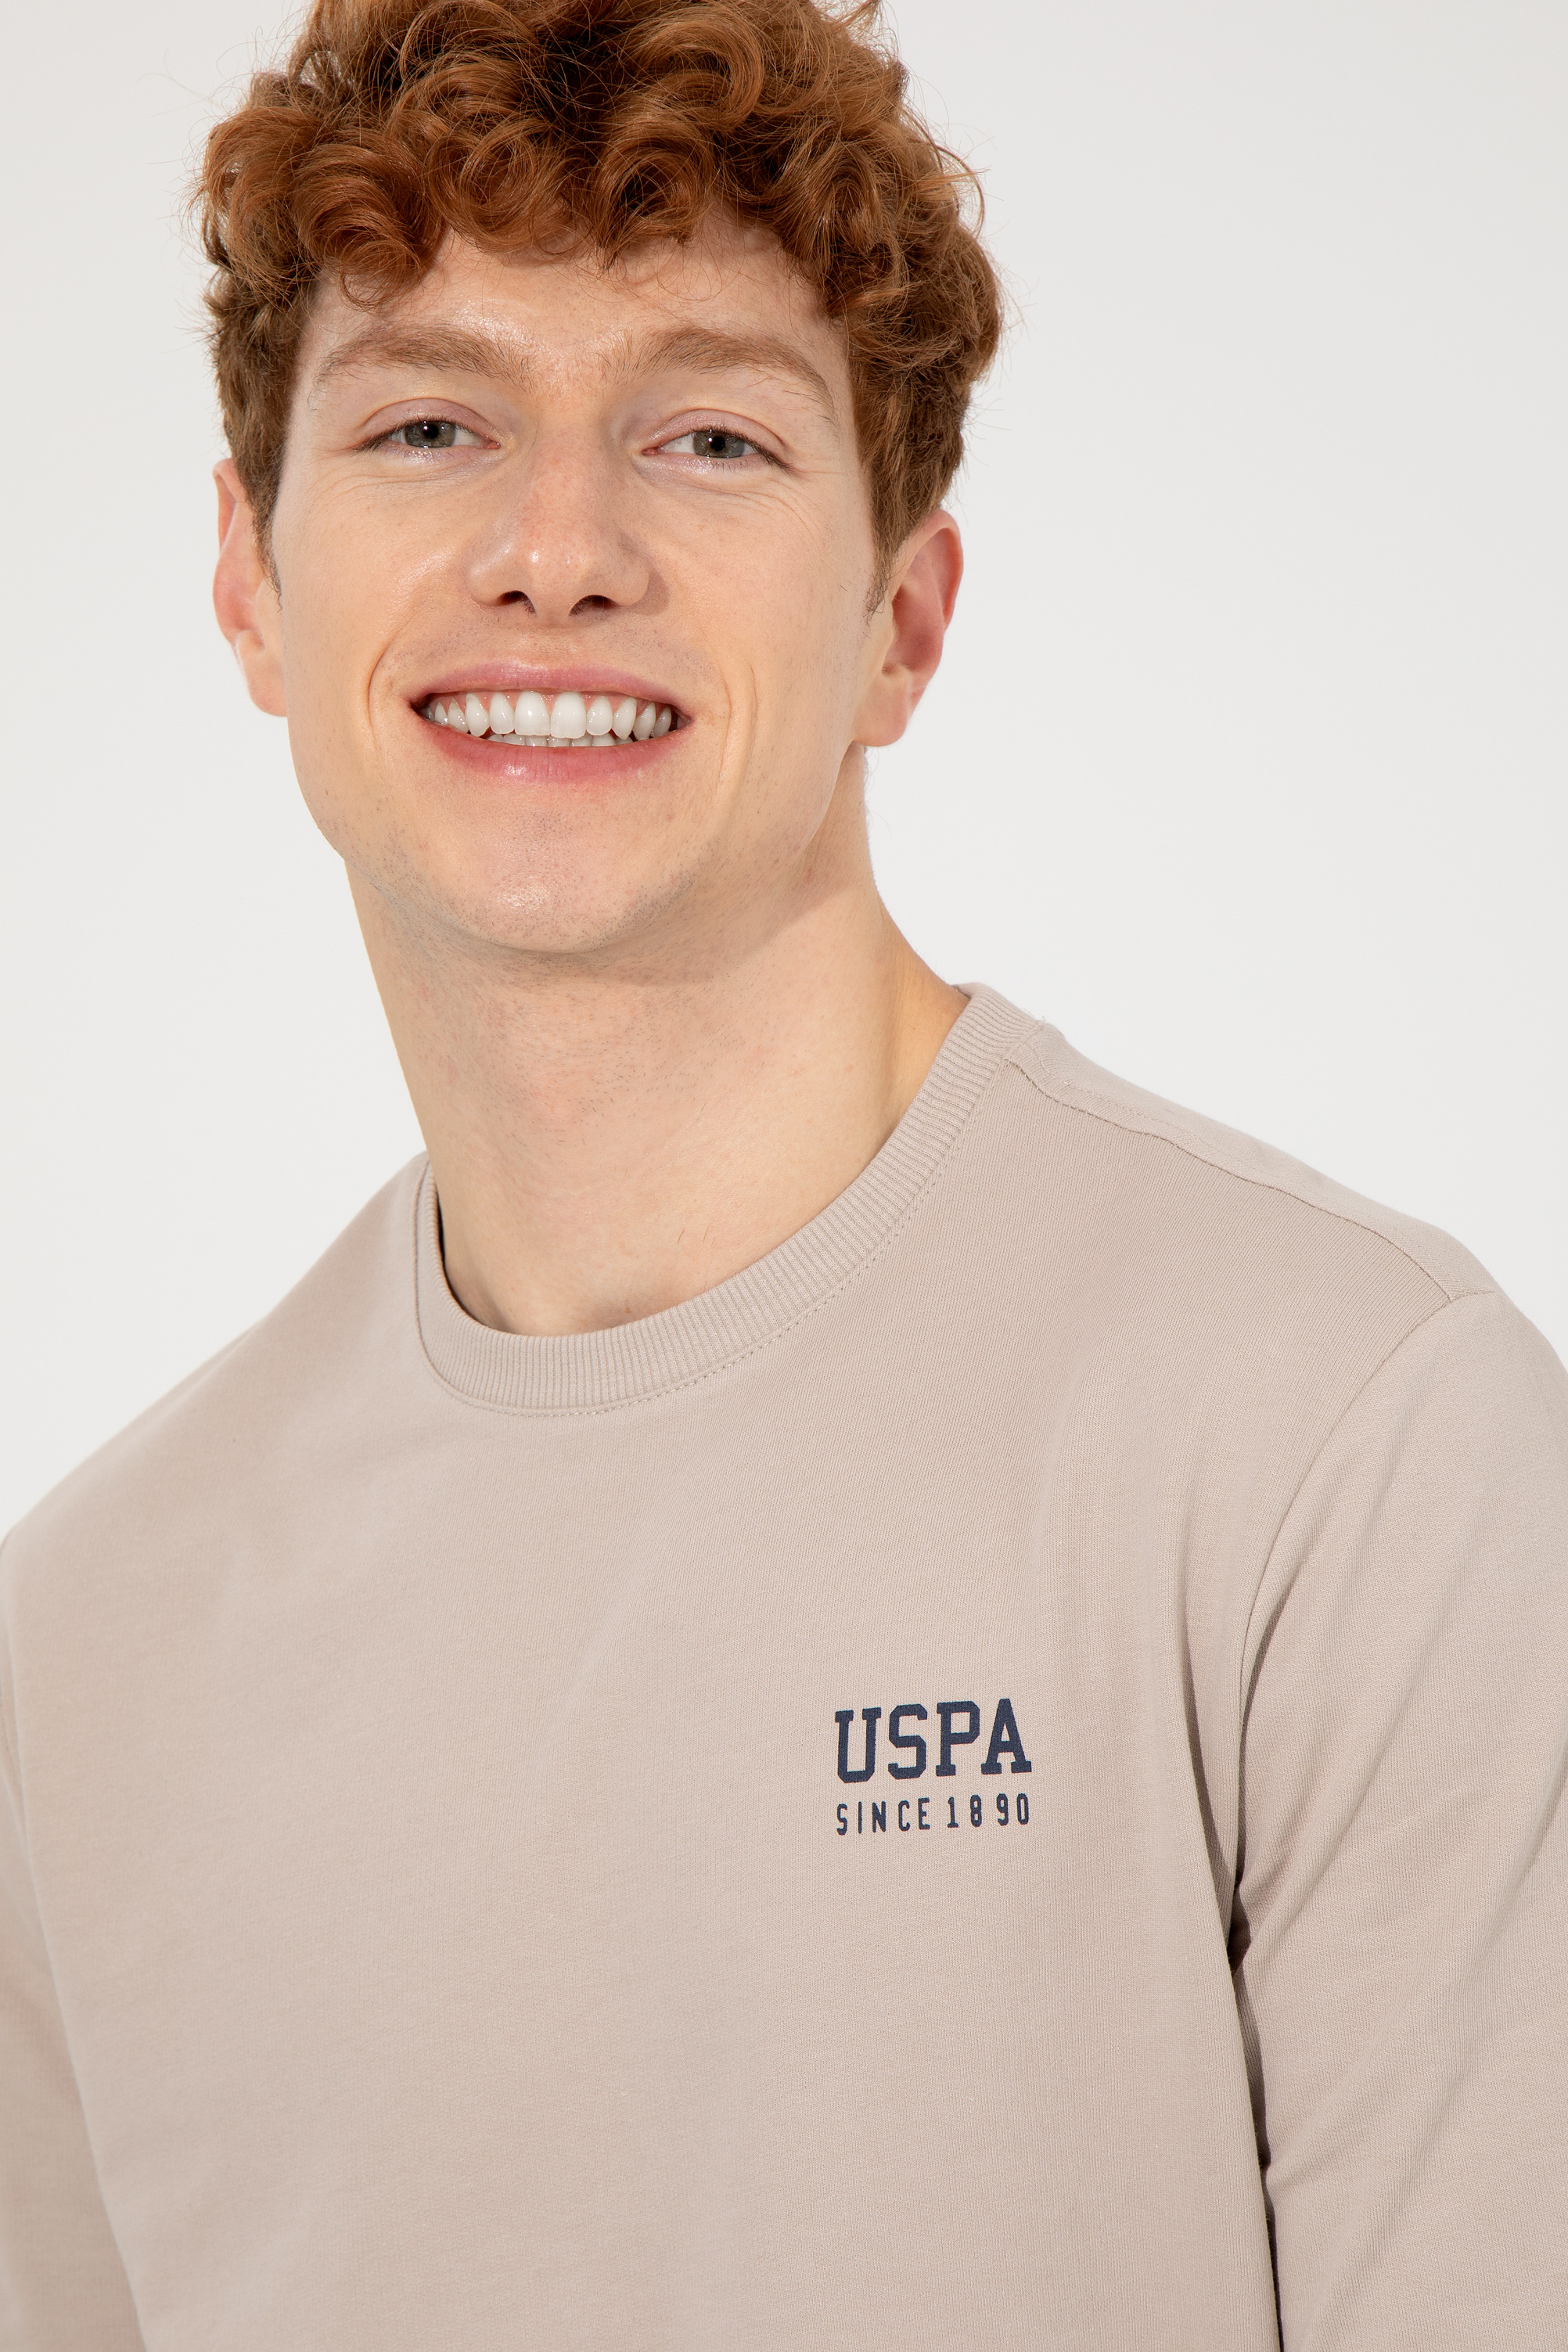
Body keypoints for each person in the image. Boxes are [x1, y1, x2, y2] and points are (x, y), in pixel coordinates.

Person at [2, 0, 1565, 2342]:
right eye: (428, 423)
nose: (556, 551)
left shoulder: (1344, 1451)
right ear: (250, 582)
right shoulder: (81, 1652)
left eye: (708, 436)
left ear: (899, 624)